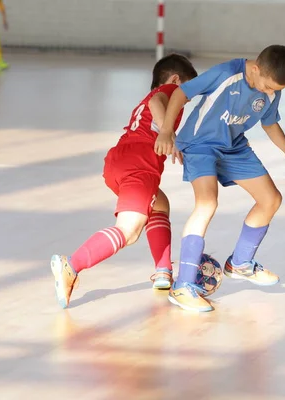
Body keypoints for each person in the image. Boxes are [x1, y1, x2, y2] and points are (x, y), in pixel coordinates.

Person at [155, 45, 285, 312]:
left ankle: (240, 263)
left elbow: (269, 122)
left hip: (234, 147)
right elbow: (182, 92)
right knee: (207, 204)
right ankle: (182, 286)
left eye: (276, 89)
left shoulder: (272, 88)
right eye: (267, 86)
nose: (270, 93)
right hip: (200, 144)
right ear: (255, 69)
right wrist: (167, 130)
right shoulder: (227, 73)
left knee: (271, 199)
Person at [51, 54, 198, 309]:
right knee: (129, 231)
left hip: (119, 160)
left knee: (160, 204)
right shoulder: (170, 91)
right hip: (139, 165)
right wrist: (167, 133)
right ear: (176, 80)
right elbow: (157, 101)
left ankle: (163, 272)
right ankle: (71, 265)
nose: (186, 99)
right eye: (188, 92)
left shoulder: (148, 101)